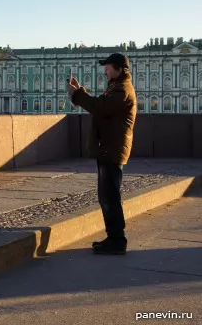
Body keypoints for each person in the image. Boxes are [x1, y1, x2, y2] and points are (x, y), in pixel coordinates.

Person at [67, 52, 137, 255]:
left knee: (110, 196)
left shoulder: (122, 89)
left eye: (108, 67)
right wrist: (79, 92)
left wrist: (78, 94)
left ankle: (117, 240)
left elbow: (101, 107)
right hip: (109, 147)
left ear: (119, 69)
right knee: (107, 196)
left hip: (112, 149)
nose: (105, 71)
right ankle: (113, 237)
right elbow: (101, 107)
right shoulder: (116, 87)